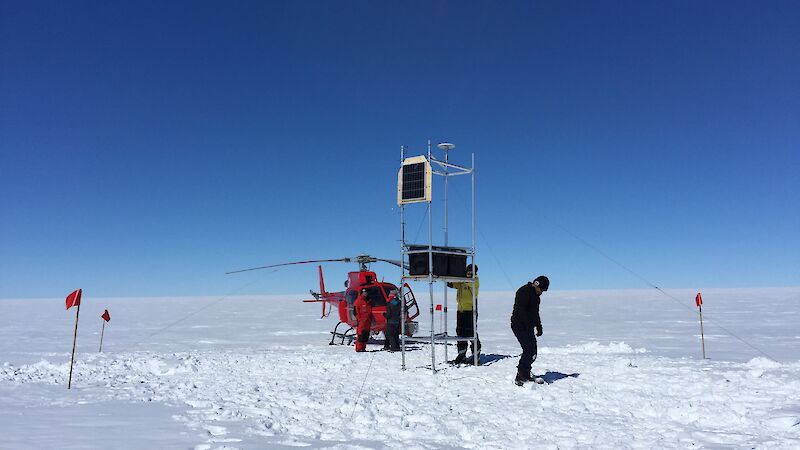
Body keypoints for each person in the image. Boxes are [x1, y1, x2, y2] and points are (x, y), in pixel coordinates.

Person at [511, 275, 549, 386]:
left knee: (533, 352)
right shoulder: (523, 292)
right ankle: (521, 376)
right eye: (542, 289)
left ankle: (525, 371)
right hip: (519, 325)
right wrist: (529, 323)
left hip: (528, 327)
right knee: (528, 350)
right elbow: (521, 311)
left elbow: (535, 313)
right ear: (536, 284)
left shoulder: (536, 297)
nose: (542, 292)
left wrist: (538, 325)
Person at [446, 264, 480, 364]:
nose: (469, 273)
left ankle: (475, 355)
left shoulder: (475, 280)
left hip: (471, 310)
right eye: (468, 271)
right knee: (460, 333)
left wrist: (461, 277)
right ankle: (461, 354)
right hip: (460, 310)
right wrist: (450, 281)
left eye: (471, 271)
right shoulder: (462, 281)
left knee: (471, 332)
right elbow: (455, 284)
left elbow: (469, 283)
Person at [354, 288, 373, 352]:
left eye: (366, 292)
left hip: (368, 321)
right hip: (362, 321)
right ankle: (359, 348)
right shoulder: (358, 301)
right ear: (361, 293)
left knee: (366, 335)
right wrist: (359, 319)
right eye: (364, 292)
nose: (365, 294)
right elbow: (355, 311)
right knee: (360, 335)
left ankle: (363, 347)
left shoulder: (368, 301)